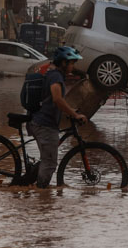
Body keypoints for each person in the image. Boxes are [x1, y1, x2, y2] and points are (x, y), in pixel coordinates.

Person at [28, 46, 88, 188]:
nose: (73, 66)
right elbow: (57, 99)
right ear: (63, 63)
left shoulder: (54, 75)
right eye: (71, 63)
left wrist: (71, 110)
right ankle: (42, 196)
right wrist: (74, 114)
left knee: (47, 160)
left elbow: (56, 100)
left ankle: (31, 183)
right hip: (44, 124)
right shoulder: (55, 76)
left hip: (43, 122)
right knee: (49, 163)